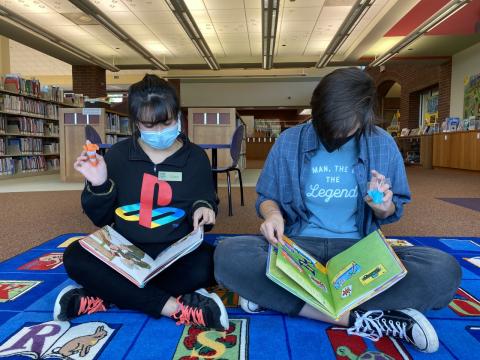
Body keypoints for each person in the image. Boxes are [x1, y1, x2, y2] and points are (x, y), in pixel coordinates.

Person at [214, 68, 461, 352]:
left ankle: (281, 296)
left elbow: (394, 209)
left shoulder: (382, 143)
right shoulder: (290, 141)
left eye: (345, 129)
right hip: (299, 247)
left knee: (443, 270)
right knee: (228, 254)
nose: (335, 136)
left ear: (365, 117)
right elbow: (267, 197)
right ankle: (363, 316)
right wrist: (273, 214)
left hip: (359, 252)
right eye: (326, 126)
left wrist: (383, 207)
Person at [53, 74, 228, 331]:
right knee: (75, 256)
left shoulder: (196, 157)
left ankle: (105, 294)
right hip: (124, 251)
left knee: (216, 263)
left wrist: (205, 208)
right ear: (135, 123)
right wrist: (100, 184)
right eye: (149, 125)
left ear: (178, 116)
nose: (159, 131)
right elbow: (99, 219)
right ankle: (175, 308)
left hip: (174, 252)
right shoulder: (118, 156)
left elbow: (205, 200)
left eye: (166, 122)